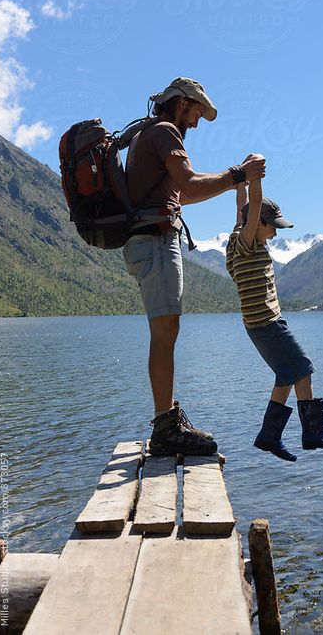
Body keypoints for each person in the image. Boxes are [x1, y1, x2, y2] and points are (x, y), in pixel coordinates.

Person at [123, 77, 266, 457]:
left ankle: (166, 419)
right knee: (166, 327)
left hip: (149, 239)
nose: (198, 123)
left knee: (166, 328)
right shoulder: (166, 132)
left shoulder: (149, 135)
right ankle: (165, 428)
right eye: (198, 112)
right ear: (182, 103)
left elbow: (183, 192)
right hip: (155, 240)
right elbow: (188, 182)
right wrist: (239, 175)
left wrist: (232, 180)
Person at [225, 178, 323, 461]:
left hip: (257, 325)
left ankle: (269, 437)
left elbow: (242, 207)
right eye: (272, 227)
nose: (275, 234)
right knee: (303, 369)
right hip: (267, 323)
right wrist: (255, 177)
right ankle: (313, 434)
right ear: (257, 223)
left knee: (285, 376)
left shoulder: (236, 240)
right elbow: (253, 206)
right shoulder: (247, 244)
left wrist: (240, 185)